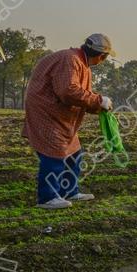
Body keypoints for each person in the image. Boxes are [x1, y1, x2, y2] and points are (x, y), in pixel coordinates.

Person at [23, 34, 114, 209]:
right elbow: (68, 91)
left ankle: (69, 191)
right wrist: (98, 100)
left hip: (60, 114)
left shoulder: (81, 64)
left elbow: (79, 97)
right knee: (54, 154)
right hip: (47, 112)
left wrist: (99, 106)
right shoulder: (70, 60)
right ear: (102, 56)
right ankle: (47, 197)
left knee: (74, 154)